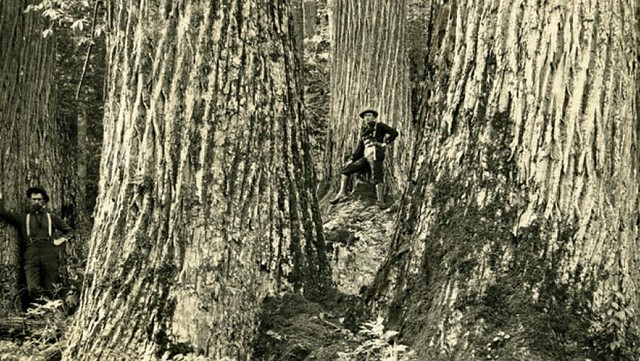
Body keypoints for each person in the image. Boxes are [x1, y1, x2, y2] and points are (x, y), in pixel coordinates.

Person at [0, 187, 74, 303]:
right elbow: (4, 213)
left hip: (50, 253)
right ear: (30, 200)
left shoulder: (51, 217)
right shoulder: (24, 218)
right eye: (33, 199)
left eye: (39, 199)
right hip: (31, 253)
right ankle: (40, 307)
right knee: (33, 288)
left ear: (44, 201)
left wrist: (59, 241)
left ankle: (48, 312)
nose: (36, 202)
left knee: (50, 287)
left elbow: (70, 232)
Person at [330, 108, 398, 208]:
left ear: (374, 117)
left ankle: (380, 201)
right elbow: (360, 148)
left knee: (377, 176)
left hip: (375, 154)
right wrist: (352, 159)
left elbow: (394, 133)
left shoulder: (379, 126)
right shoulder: (364, 131)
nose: (367, 118)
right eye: (365, 116)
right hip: (366, 155)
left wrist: (385, 143)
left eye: (369, 115)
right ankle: (342, 193)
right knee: (345, 170)